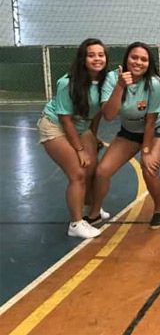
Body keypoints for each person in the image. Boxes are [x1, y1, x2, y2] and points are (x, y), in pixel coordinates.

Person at [88, 42, 160, 229]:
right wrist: (120, 86)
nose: (138, 62)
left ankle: (159, 210)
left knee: (149, 168)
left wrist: (147, 150)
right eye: (134, 57)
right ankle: (94, 214)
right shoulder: (112, 78)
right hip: (129, 131)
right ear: (126, 59)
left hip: (157, 128)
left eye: (144, 59)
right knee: (102, 171)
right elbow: (109, 115)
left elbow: (151, 121)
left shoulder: (154, 84)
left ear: (149, 63)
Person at [37, 38, 109, 239]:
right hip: (55, 126)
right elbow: (65, 119)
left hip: (82, 126)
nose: (97, 58)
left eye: (101, 55)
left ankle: (89, 210)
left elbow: (97, 113)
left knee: (92, 168)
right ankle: (76, 224)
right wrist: (80, 149)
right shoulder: (67, 83)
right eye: (91, 55)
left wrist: (93, 138)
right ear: (83, 58)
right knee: (77, 173)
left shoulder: (104, 82)